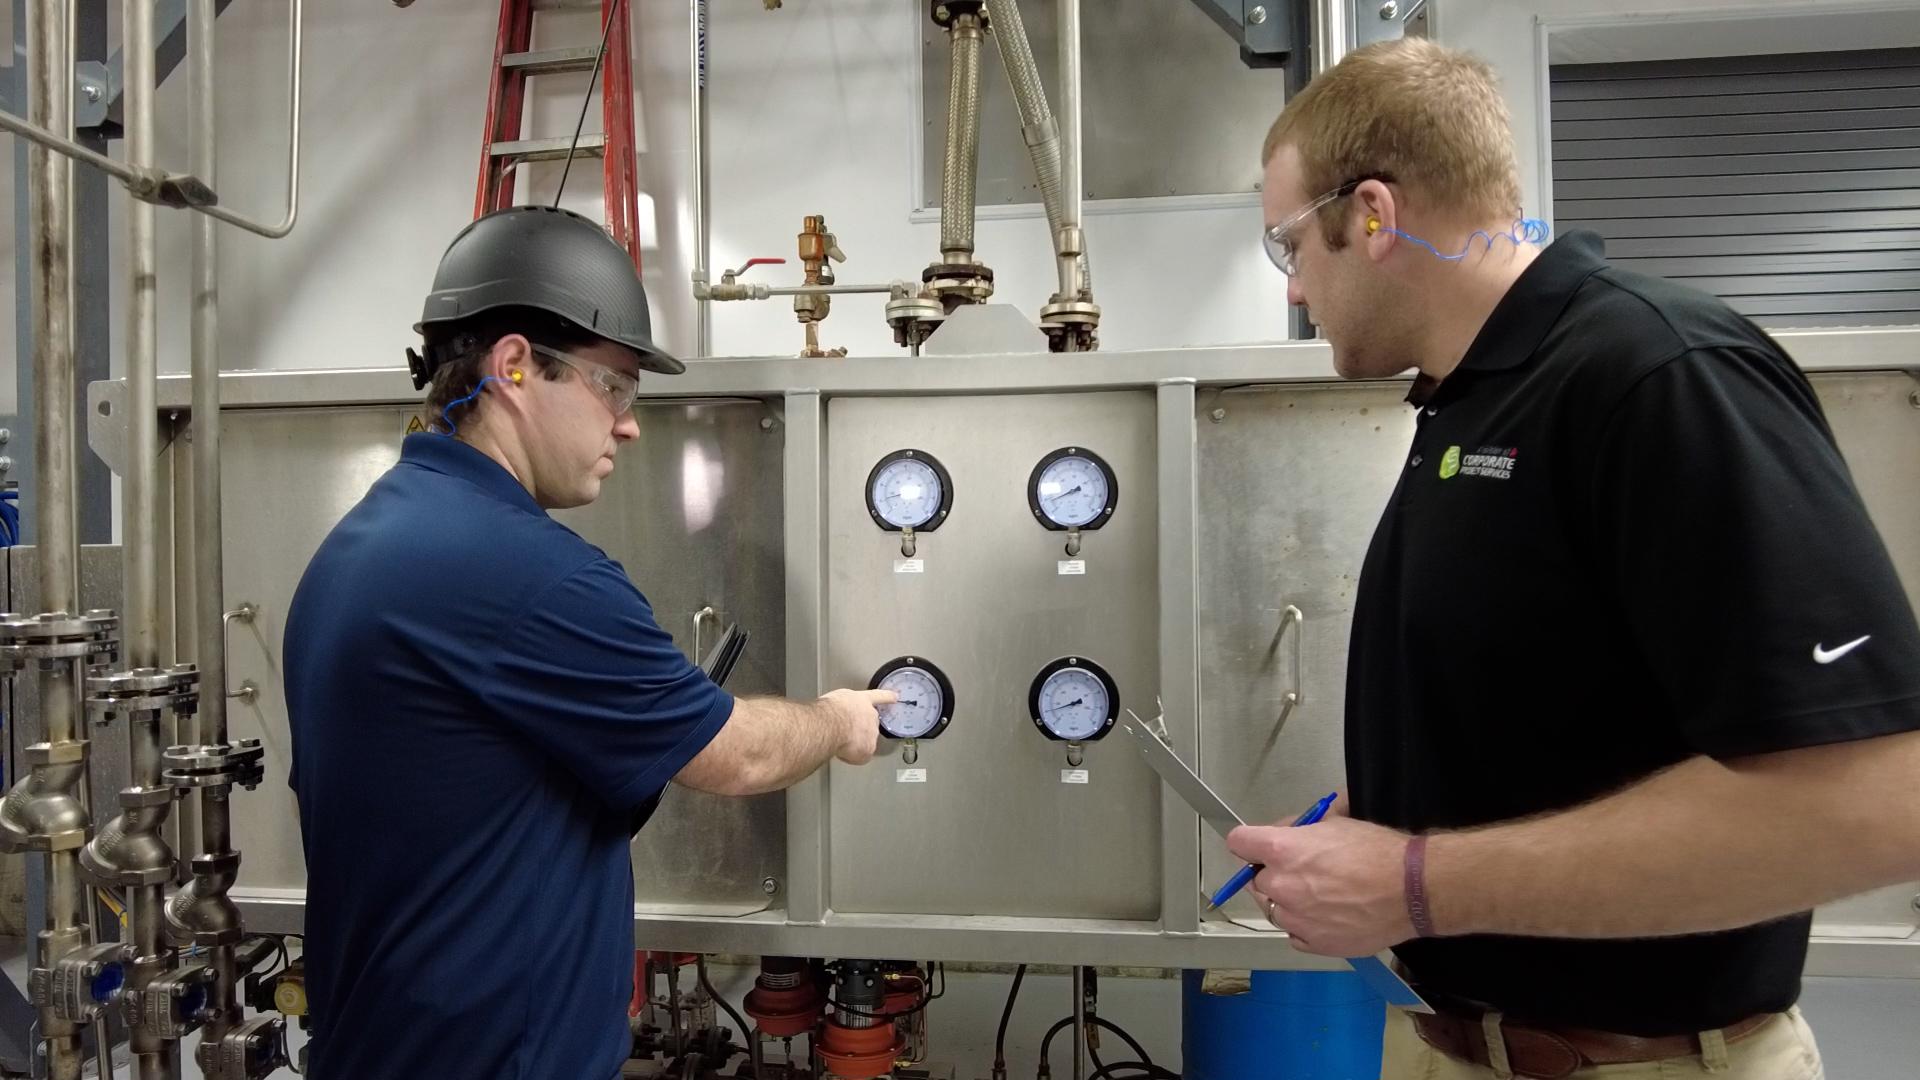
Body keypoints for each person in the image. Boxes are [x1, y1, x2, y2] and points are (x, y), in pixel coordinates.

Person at [1224, 37, 1920, 1080]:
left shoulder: (1657, 376)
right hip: (1452, 1042)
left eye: (1290, 248)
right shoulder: (1473, 400)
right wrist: (1392, 820)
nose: (1291, 291)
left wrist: (1415, 881)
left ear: (1372, 216)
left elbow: (1875, 805)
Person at [282, 205, 893, 1080]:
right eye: (614, 387)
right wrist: (838, 720)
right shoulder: (530, 572)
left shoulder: (356, 546)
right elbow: (733, 756)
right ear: (516, 368)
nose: (630, 424)